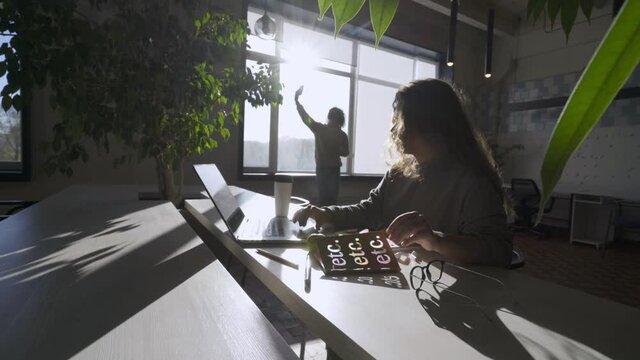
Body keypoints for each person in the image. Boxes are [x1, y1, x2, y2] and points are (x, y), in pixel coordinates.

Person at [293, 79, 512, 267]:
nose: (392, 129)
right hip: (401, 282)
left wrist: (437, 240)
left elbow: (498, 249)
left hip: (453, 296)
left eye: (399, 120)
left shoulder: (472, 182)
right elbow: (369, 210)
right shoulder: (399, 173)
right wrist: (326, 213)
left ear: (429, 124)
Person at [294, 86, 349, 206]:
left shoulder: (320, 129)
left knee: (323, 199)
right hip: (334, 170)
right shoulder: (342, 135)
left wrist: (296, 101)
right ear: (341, 120)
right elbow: (346, 152)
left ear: (329, 117)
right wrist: (336, 150)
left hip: (322, 169)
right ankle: (331, 222)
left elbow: (305, 118)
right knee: (332, 201)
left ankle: (322, 222)